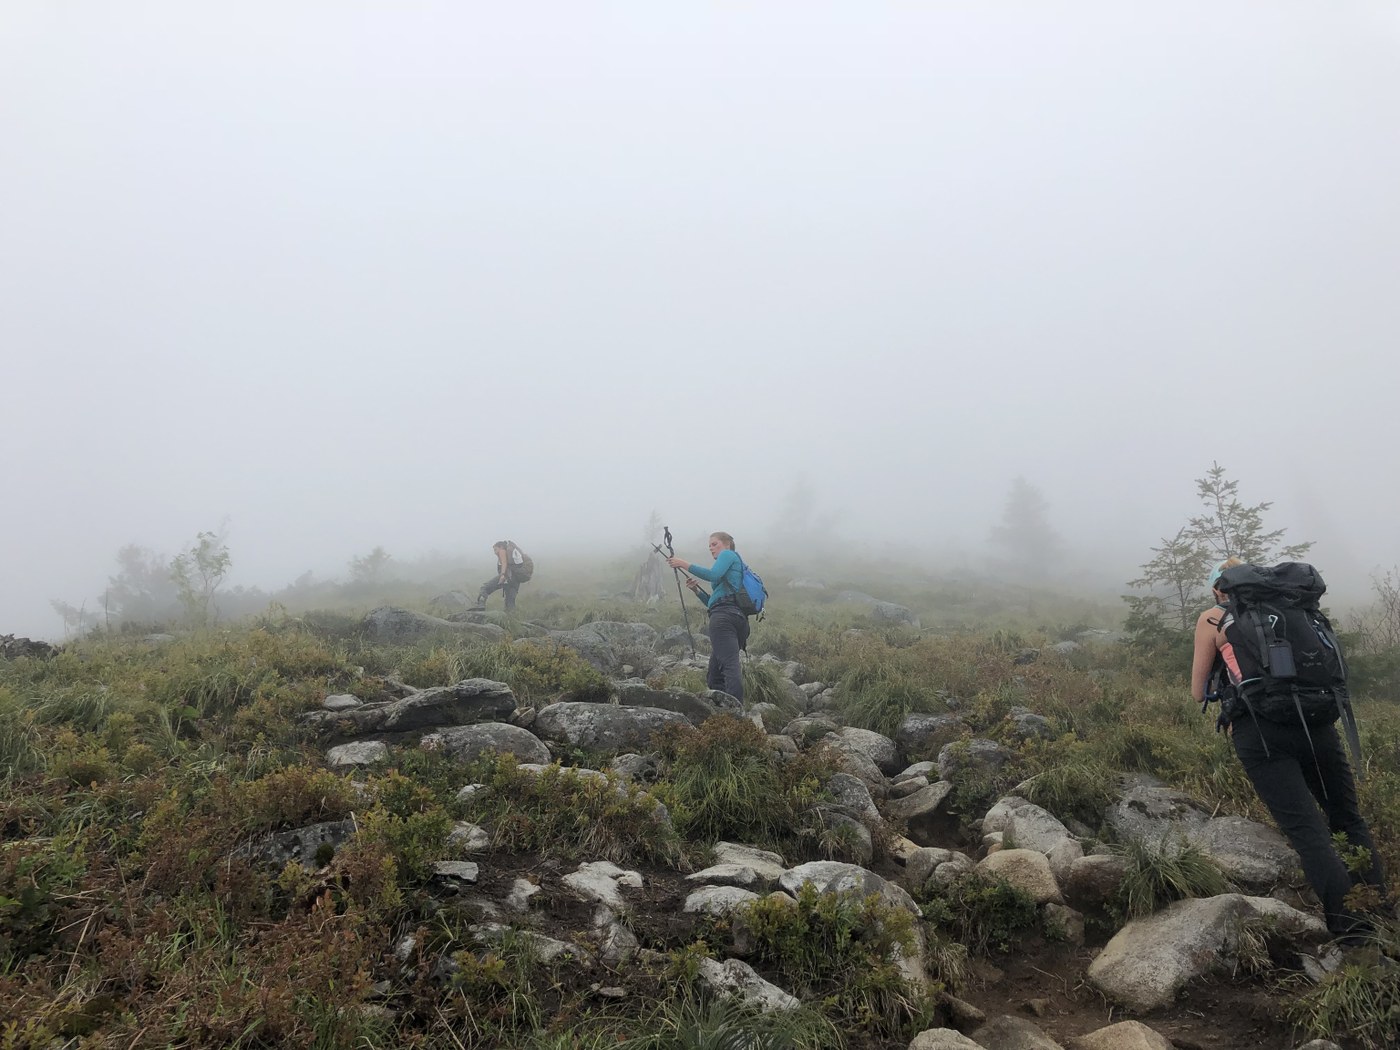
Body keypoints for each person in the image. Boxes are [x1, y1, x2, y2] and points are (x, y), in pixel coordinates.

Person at [1191, 558, 1387, 943]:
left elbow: (1199, 692)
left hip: (1261, 733)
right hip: (1317, 723)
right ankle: (1382, 912)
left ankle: (1355, 934)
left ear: (1219, 588)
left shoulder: (1213, 618)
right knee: (1348, 819)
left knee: (1306, 829)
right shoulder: (1292, 609)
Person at [668, 531, 749, 703]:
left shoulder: (728, 554)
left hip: (723, 619)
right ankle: (722, 709)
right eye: (709, 546)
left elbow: (713, 575)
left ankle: (736, 711)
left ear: (727, 544)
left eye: (714, 544)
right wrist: (696, 591)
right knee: (714, 673)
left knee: (729, 666)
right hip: (737, 618)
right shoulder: (733, 567)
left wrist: (682, 563)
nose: (711, 548)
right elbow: (714, 602)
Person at [474, 540, 532, 612]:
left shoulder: (502, 550)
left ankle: (480, 605)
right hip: (516, 579)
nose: (495, 553)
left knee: (485, 588)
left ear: (501, 547)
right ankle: (511, 617)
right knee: (510, 602)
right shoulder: (515, 553)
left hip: (508, 576)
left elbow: (504, 563)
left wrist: (502, 575)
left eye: (495, 549)